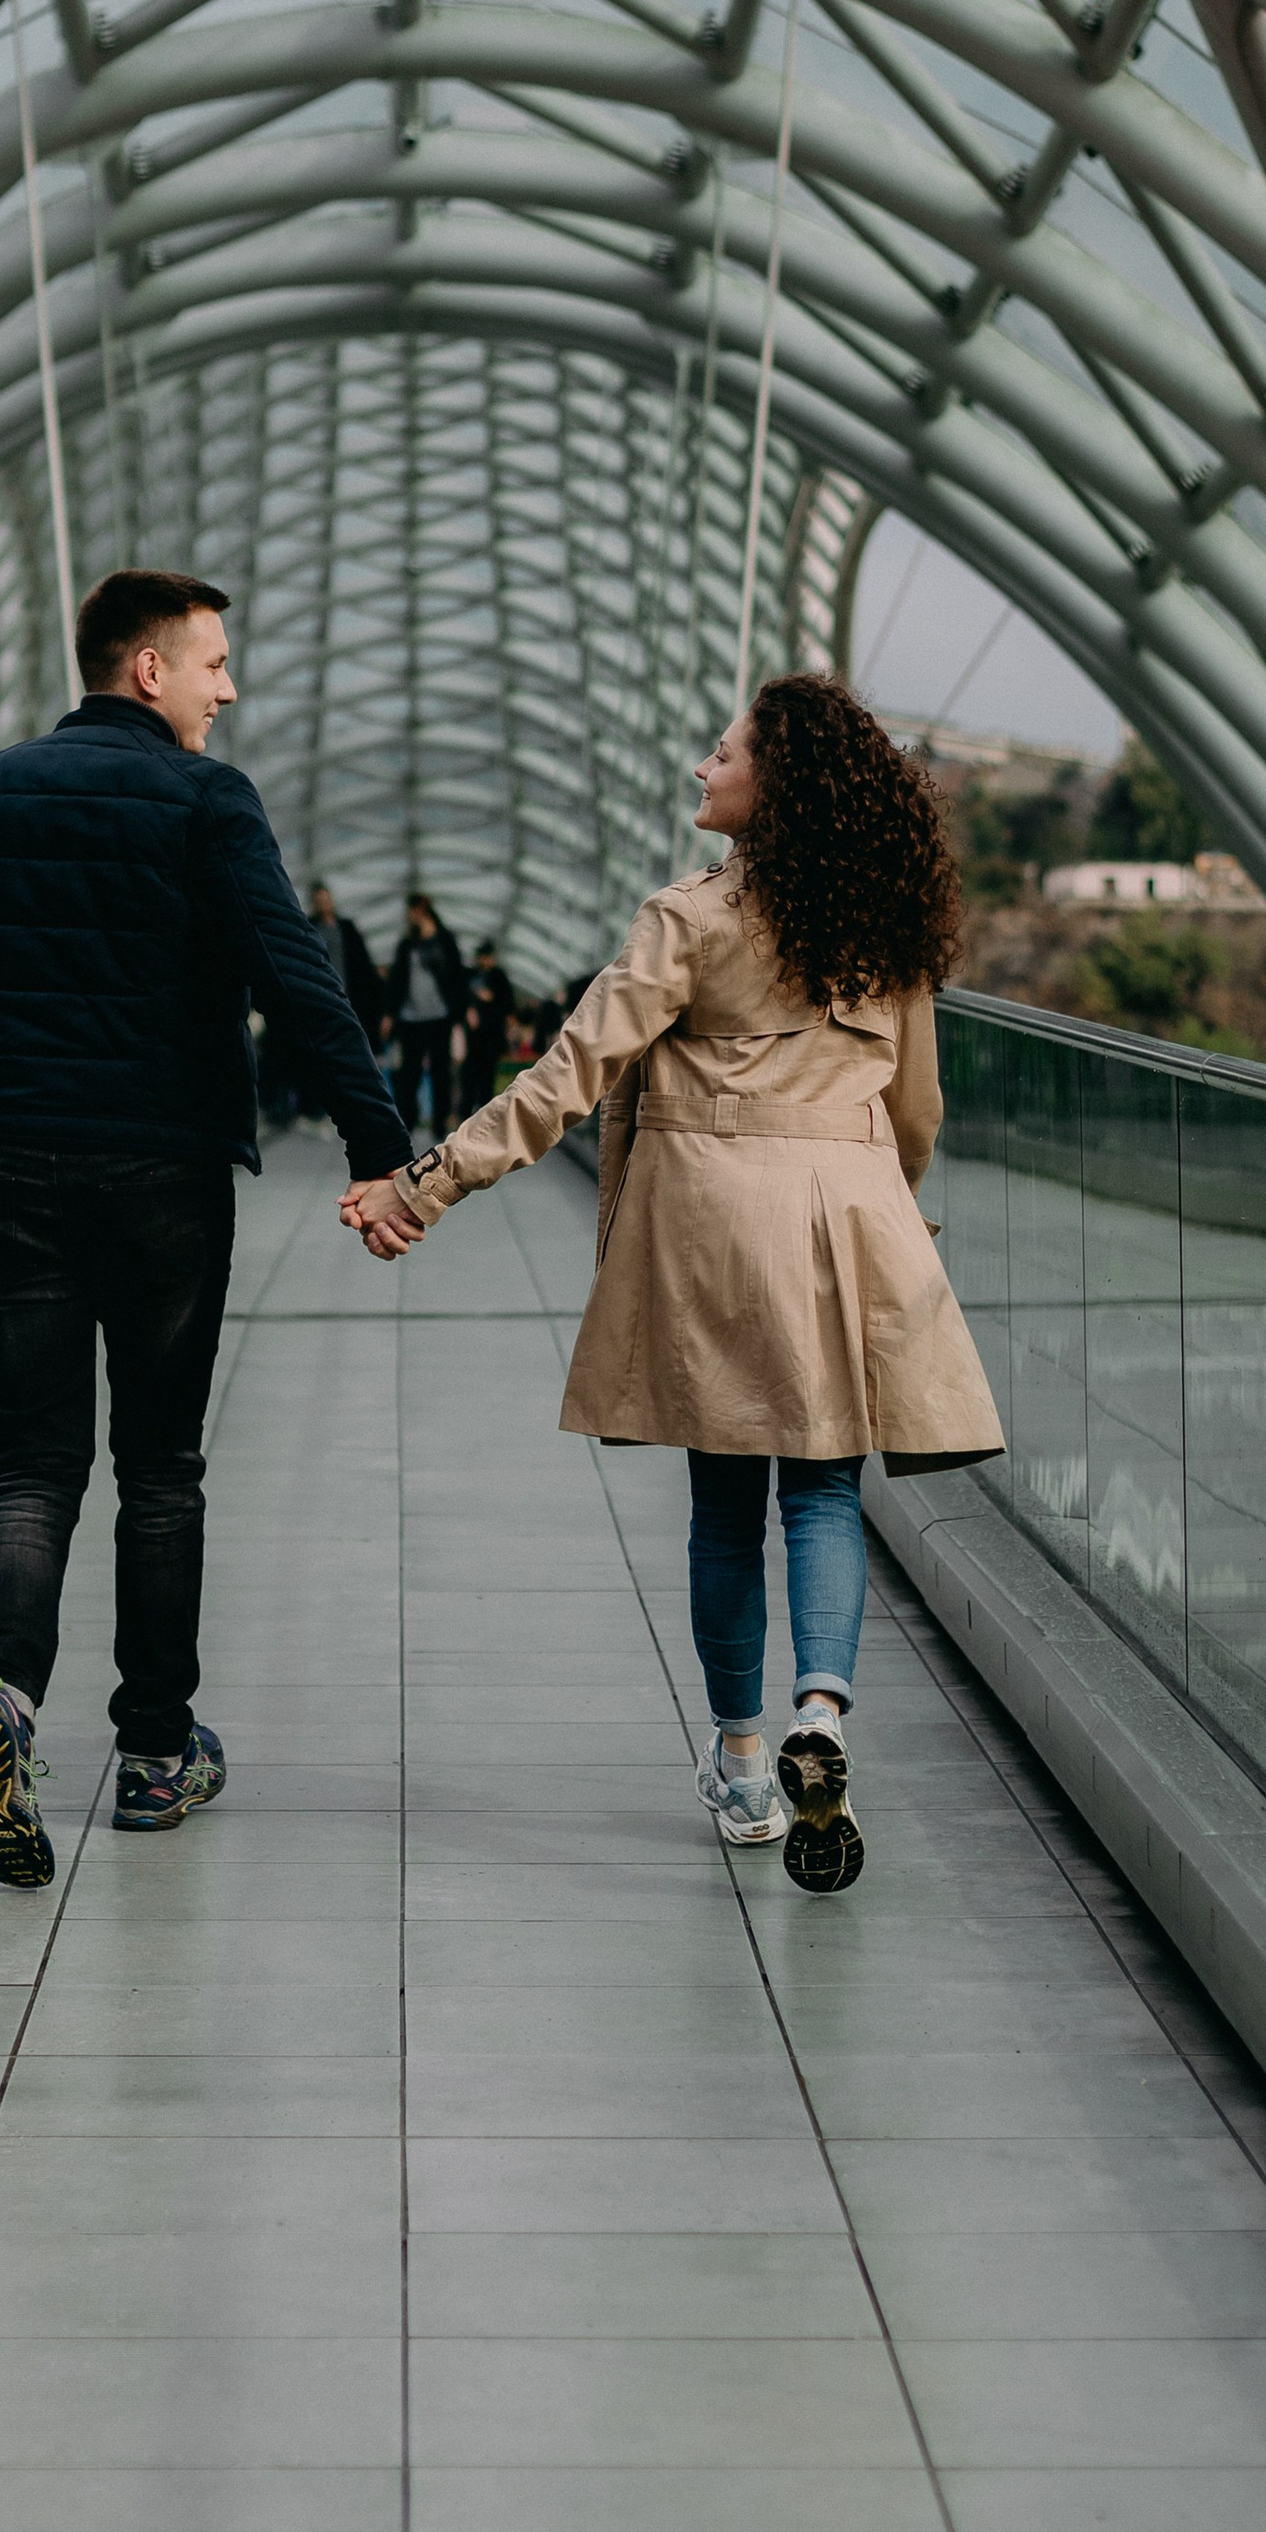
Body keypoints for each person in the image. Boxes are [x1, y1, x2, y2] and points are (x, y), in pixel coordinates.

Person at [344, 674, 1000, 1892]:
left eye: (723, 753)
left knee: (723, 1508)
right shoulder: (886, 923)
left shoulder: (688, 919)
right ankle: (821, 1710)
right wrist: (884, 1213)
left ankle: (744, 1762)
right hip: (850, 1219)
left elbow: (565, 1077)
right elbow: (917, 1109)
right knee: (825, 1492)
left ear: (775, 787)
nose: (704, 767)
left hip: (713, 1224)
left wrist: (423, 1186)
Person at [0, 566, 411, 1890]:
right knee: (159, 1464)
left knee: (35, 1462)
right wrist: (382, 1147)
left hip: (6, 1168)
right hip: (164, 1171)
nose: (230, 687)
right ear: (147, 668)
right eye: (213, 662)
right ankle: (157, 1754)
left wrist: (16, 1014)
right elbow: (296, 975)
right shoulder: (206, 799)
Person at [385, 892, 468, 1138]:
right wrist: (389, 1013)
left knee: (440, 1071)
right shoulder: (407, 943)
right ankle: (408, 1120)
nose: (408, 916)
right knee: (409, 1073)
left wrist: (460, 1015)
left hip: (439, 1017)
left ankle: (439, 1123)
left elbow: (457, 978)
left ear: (422, 909)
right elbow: (396, 980)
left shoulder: (445, 940)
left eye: (411, 911)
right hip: (410, 1018)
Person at [309, 881, 385, 1037]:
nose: (323, 904)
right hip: (323, 994)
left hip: (349, 993)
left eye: (325, 899)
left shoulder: (347, 928)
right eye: (319, 901)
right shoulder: (310, 928)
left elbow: (363, 964)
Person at [460, 937, 517, 1103]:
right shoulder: (471, 976)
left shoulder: (498, 977)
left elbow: (507, 1005)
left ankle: (483, 1103)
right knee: (471, 1073)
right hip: (474, 1037)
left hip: (491, 1035)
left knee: (486, 1074)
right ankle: (468, 1106)